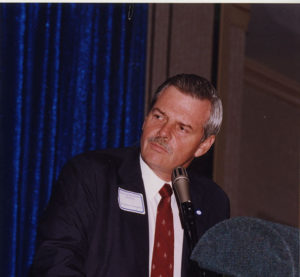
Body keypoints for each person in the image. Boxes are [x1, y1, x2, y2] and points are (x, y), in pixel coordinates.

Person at [31, 74, 230, 277]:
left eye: (181, 128)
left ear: (204, 145)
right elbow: (54, 264)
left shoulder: (213, 202)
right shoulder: (91, 176)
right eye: (159, 116)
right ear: (145, 119)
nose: (163, 132)